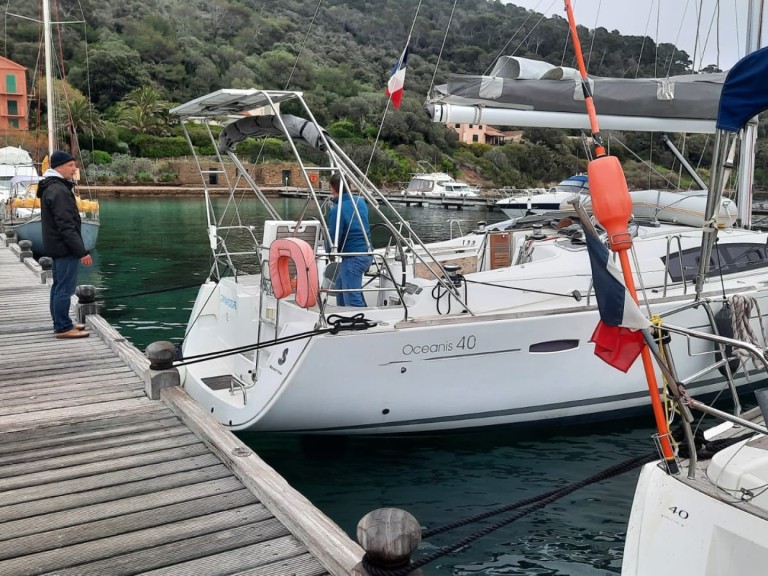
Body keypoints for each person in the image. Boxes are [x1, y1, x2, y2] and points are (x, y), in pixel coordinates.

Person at [38, 150, 93, 339]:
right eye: (70, 165)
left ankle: (62, 323)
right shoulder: (58, 190)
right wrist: (82, 252)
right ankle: (62, 327)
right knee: (65, 289)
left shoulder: (52, 186)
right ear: (59, 167)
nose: (74, 168)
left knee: (58, 287)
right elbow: (66, 226)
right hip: (64, 248)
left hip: (57, 246)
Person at [327, 173, 372, 307]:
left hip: (353, 258)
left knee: (352, 298)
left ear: (333, 189)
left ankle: (360, 324)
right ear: (349, 186)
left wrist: (330, 253)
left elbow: (334, 236)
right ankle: (344, 317)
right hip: (366, 254)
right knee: (341, 288)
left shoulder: (337, 210)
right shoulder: (361, 202)